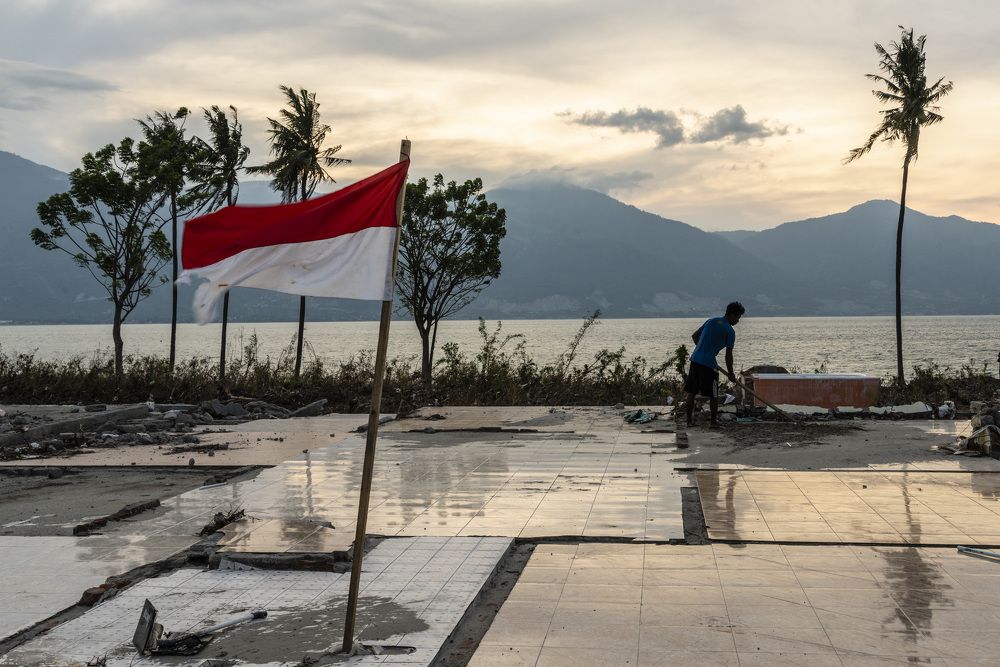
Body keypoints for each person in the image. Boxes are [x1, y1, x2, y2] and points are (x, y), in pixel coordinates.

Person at [683, 301, 745, 429]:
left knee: (692, 392)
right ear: (732, 315)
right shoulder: (730, 331)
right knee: (713, 394)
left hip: (695, 359)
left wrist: (702, 349)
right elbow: (728, 356)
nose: (738, 320)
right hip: (708, 364)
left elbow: (695, 336)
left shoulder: (711, 321)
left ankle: (688, 421)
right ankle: (713, 422)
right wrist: (731, 374)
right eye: (738, 317)